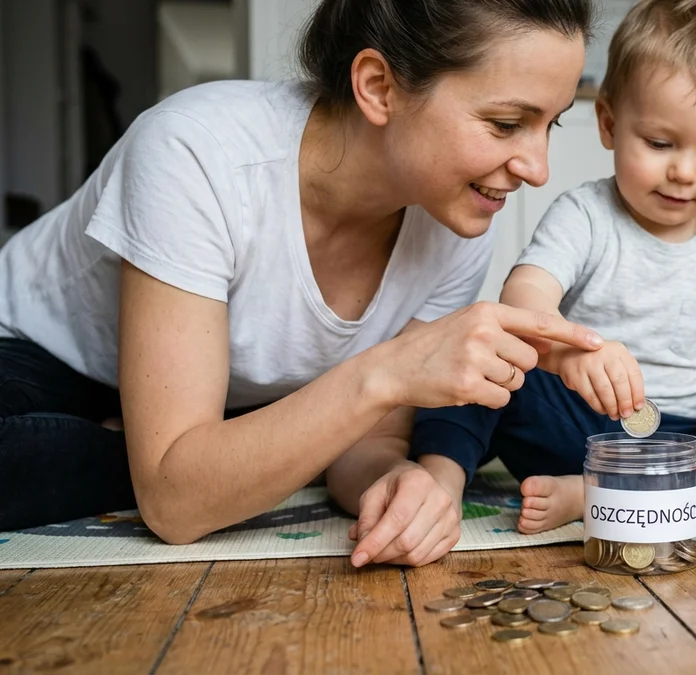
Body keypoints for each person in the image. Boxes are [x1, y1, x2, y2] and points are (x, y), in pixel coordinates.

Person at [0, 0, 604, 569]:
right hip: (39, 362)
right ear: (377, 86)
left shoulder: (455, 220)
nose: (538, 168)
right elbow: (174, 509)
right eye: (505, 124)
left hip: (229, 407)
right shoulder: (196, 151)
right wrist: (382, 374)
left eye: (550, 124)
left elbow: (366, 438)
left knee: (258, 453)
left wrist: (395, 479)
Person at [409, 0, 696, 537]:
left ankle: (593, 497)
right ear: (609, 123)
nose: (683, 171)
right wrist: (567, 351)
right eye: (659, 144)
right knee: (482, 363)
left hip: (677, 437)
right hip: (577, 420)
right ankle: (436, 481)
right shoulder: (585, 215)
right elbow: (524, 293)